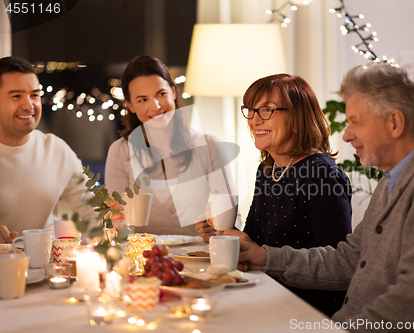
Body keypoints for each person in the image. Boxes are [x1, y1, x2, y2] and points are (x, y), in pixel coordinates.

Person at [238, 63, 414, 330]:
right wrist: (267, 258)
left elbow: (407, 309)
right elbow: (350, 259)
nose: (346, 135)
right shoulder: (394, 180)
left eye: (355, 122)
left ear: (394, 123)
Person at [197, 74, 352, 317]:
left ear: (297, 117)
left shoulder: (321, 174)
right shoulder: (268, 169)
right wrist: (219, 233)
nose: (254, 120)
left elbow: (336, 265)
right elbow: (254, 241)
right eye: (251, 110)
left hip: (305, 309)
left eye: (267, 110)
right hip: (264, 293)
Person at [105, 55, 235, 236]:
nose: (156, 106)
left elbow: (232, 219)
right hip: (142, 257)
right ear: (130, 105)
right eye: (143, 99)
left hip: (197, 256)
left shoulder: (209, 146)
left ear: (173, 92)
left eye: (161, 94)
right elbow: (114, 221)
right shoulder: (120, 151)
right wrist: (116, 222)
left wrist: (216, 228)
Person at [0, 56, 93, 244]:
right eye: (16, 96)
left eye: (34, 95)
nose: (29, 105)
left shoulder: (55, 149)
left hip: (46, 267)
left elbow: (91, 207)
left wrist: (114, 218)